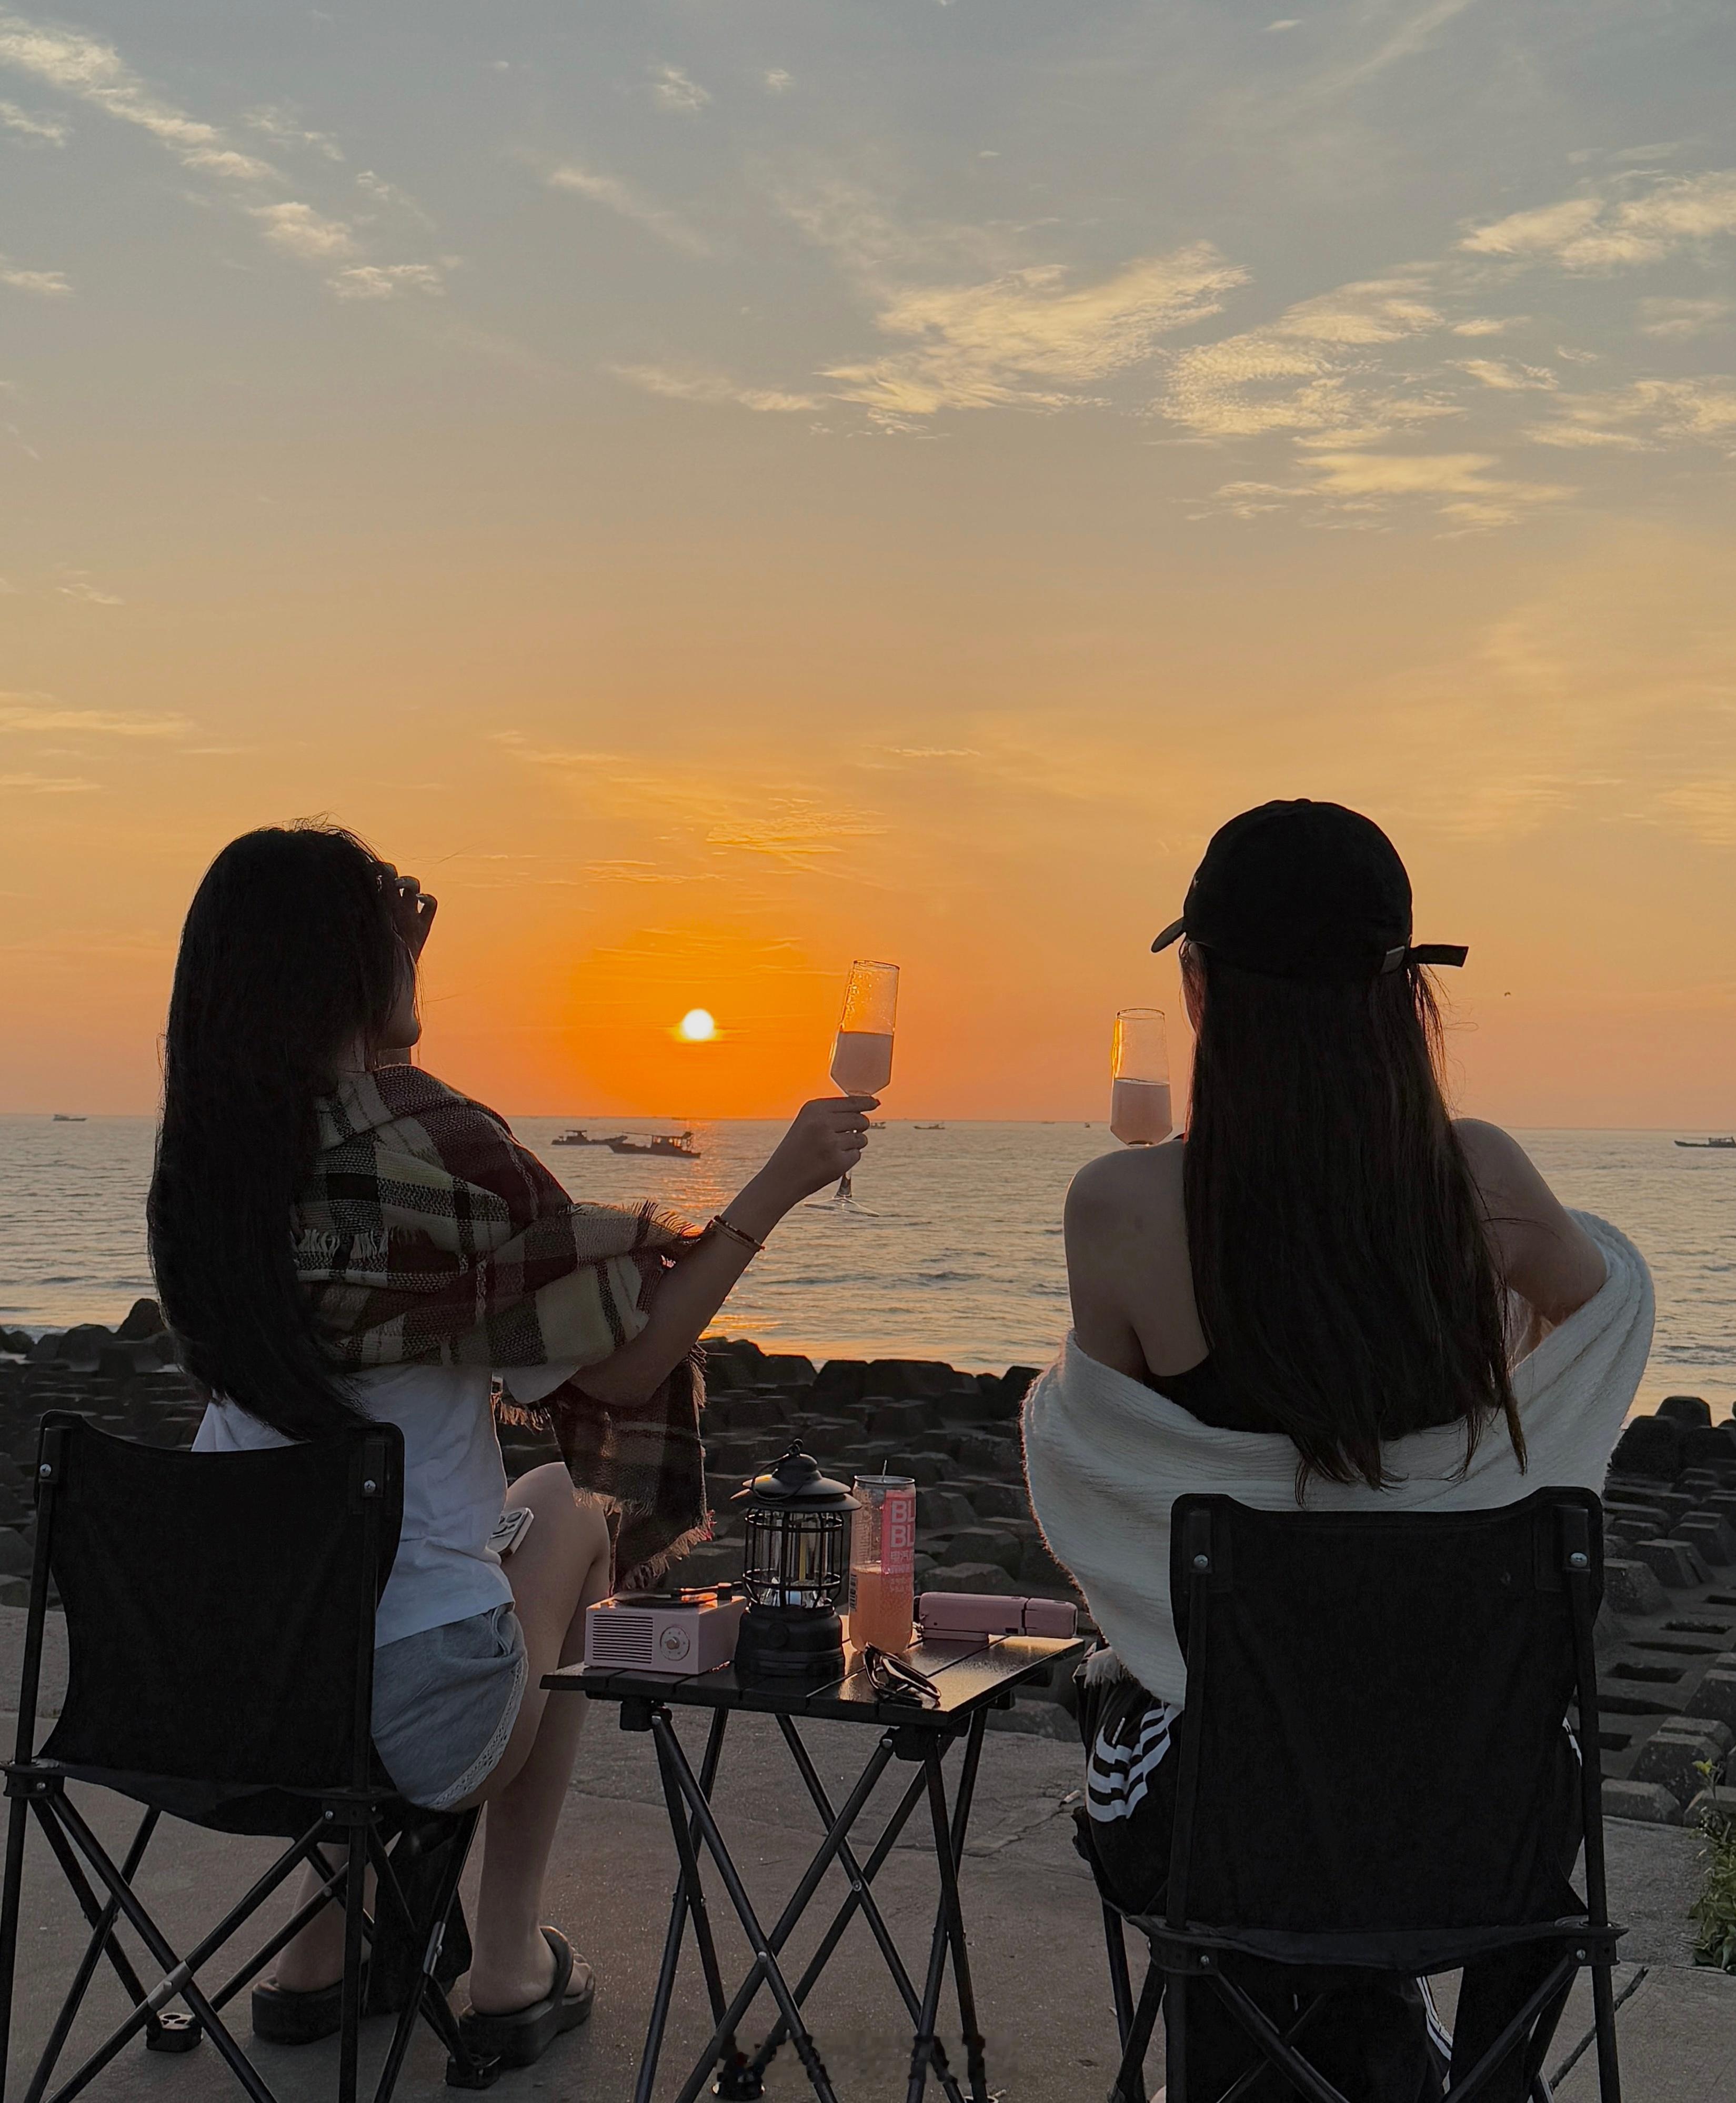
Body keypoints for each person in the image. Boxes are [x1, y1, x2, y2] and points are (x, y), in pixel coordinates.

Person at [147, 823, 875, 2067]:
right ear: (348, 970)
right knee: (574, 1509)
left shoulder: (205, 1182)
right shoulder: (440, 1153)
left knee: (350, 1570)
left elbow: (351, 1137)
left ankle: (320, 1951)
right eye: (394, 927)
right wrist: (776, 1187)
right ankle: (505, 1960)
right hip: (416, 1717)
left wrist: (379, 1004)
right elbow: (630, 1364)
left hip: (215, 1701)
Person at [1022, 799, 1654, 2103]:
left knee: (1144, 1699)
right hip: (1478, 1820)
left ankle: (1287, 2058)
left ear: (1201, 987)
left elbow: (1120, 1476)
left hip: (1229, 1832)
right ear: (1404, 995)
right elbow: (1611, 1308)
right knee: (1401, 1758)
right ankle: (1419, 2053)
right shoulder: (1480, 1183)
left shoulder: (1122, 1205)